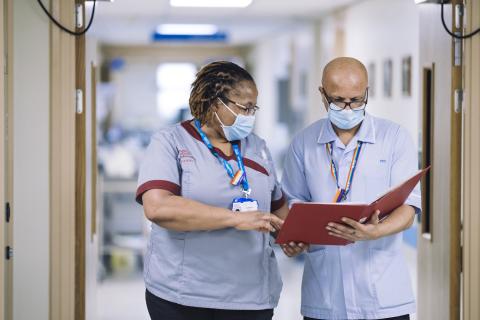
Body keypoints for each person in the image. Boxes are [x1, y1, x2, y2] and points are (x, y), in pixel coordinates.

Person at [136, 61, 288, 320]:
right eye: (244, 108)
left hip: (251, 296)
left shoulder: (258, 147)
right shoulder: (170, 142)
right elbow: (158, 207)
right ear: (215, 103)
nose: (250, 116)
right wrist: (234, 219)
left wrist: (293, 235)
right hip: (184, 295)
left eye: (254, 108)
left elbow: (277, 210)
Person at [281, 57, 421, 320]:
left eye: (356, 100)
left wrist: (376, 231)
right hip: (324, 294)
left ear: (366, 92)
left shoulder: (394, 138)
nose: (348, 108)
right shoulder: (303, 143)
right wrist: (294, 240)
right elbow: (292, 206)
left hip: (383, 293)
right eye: (338, 100)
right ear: (322, 95)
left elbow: (409, 206)